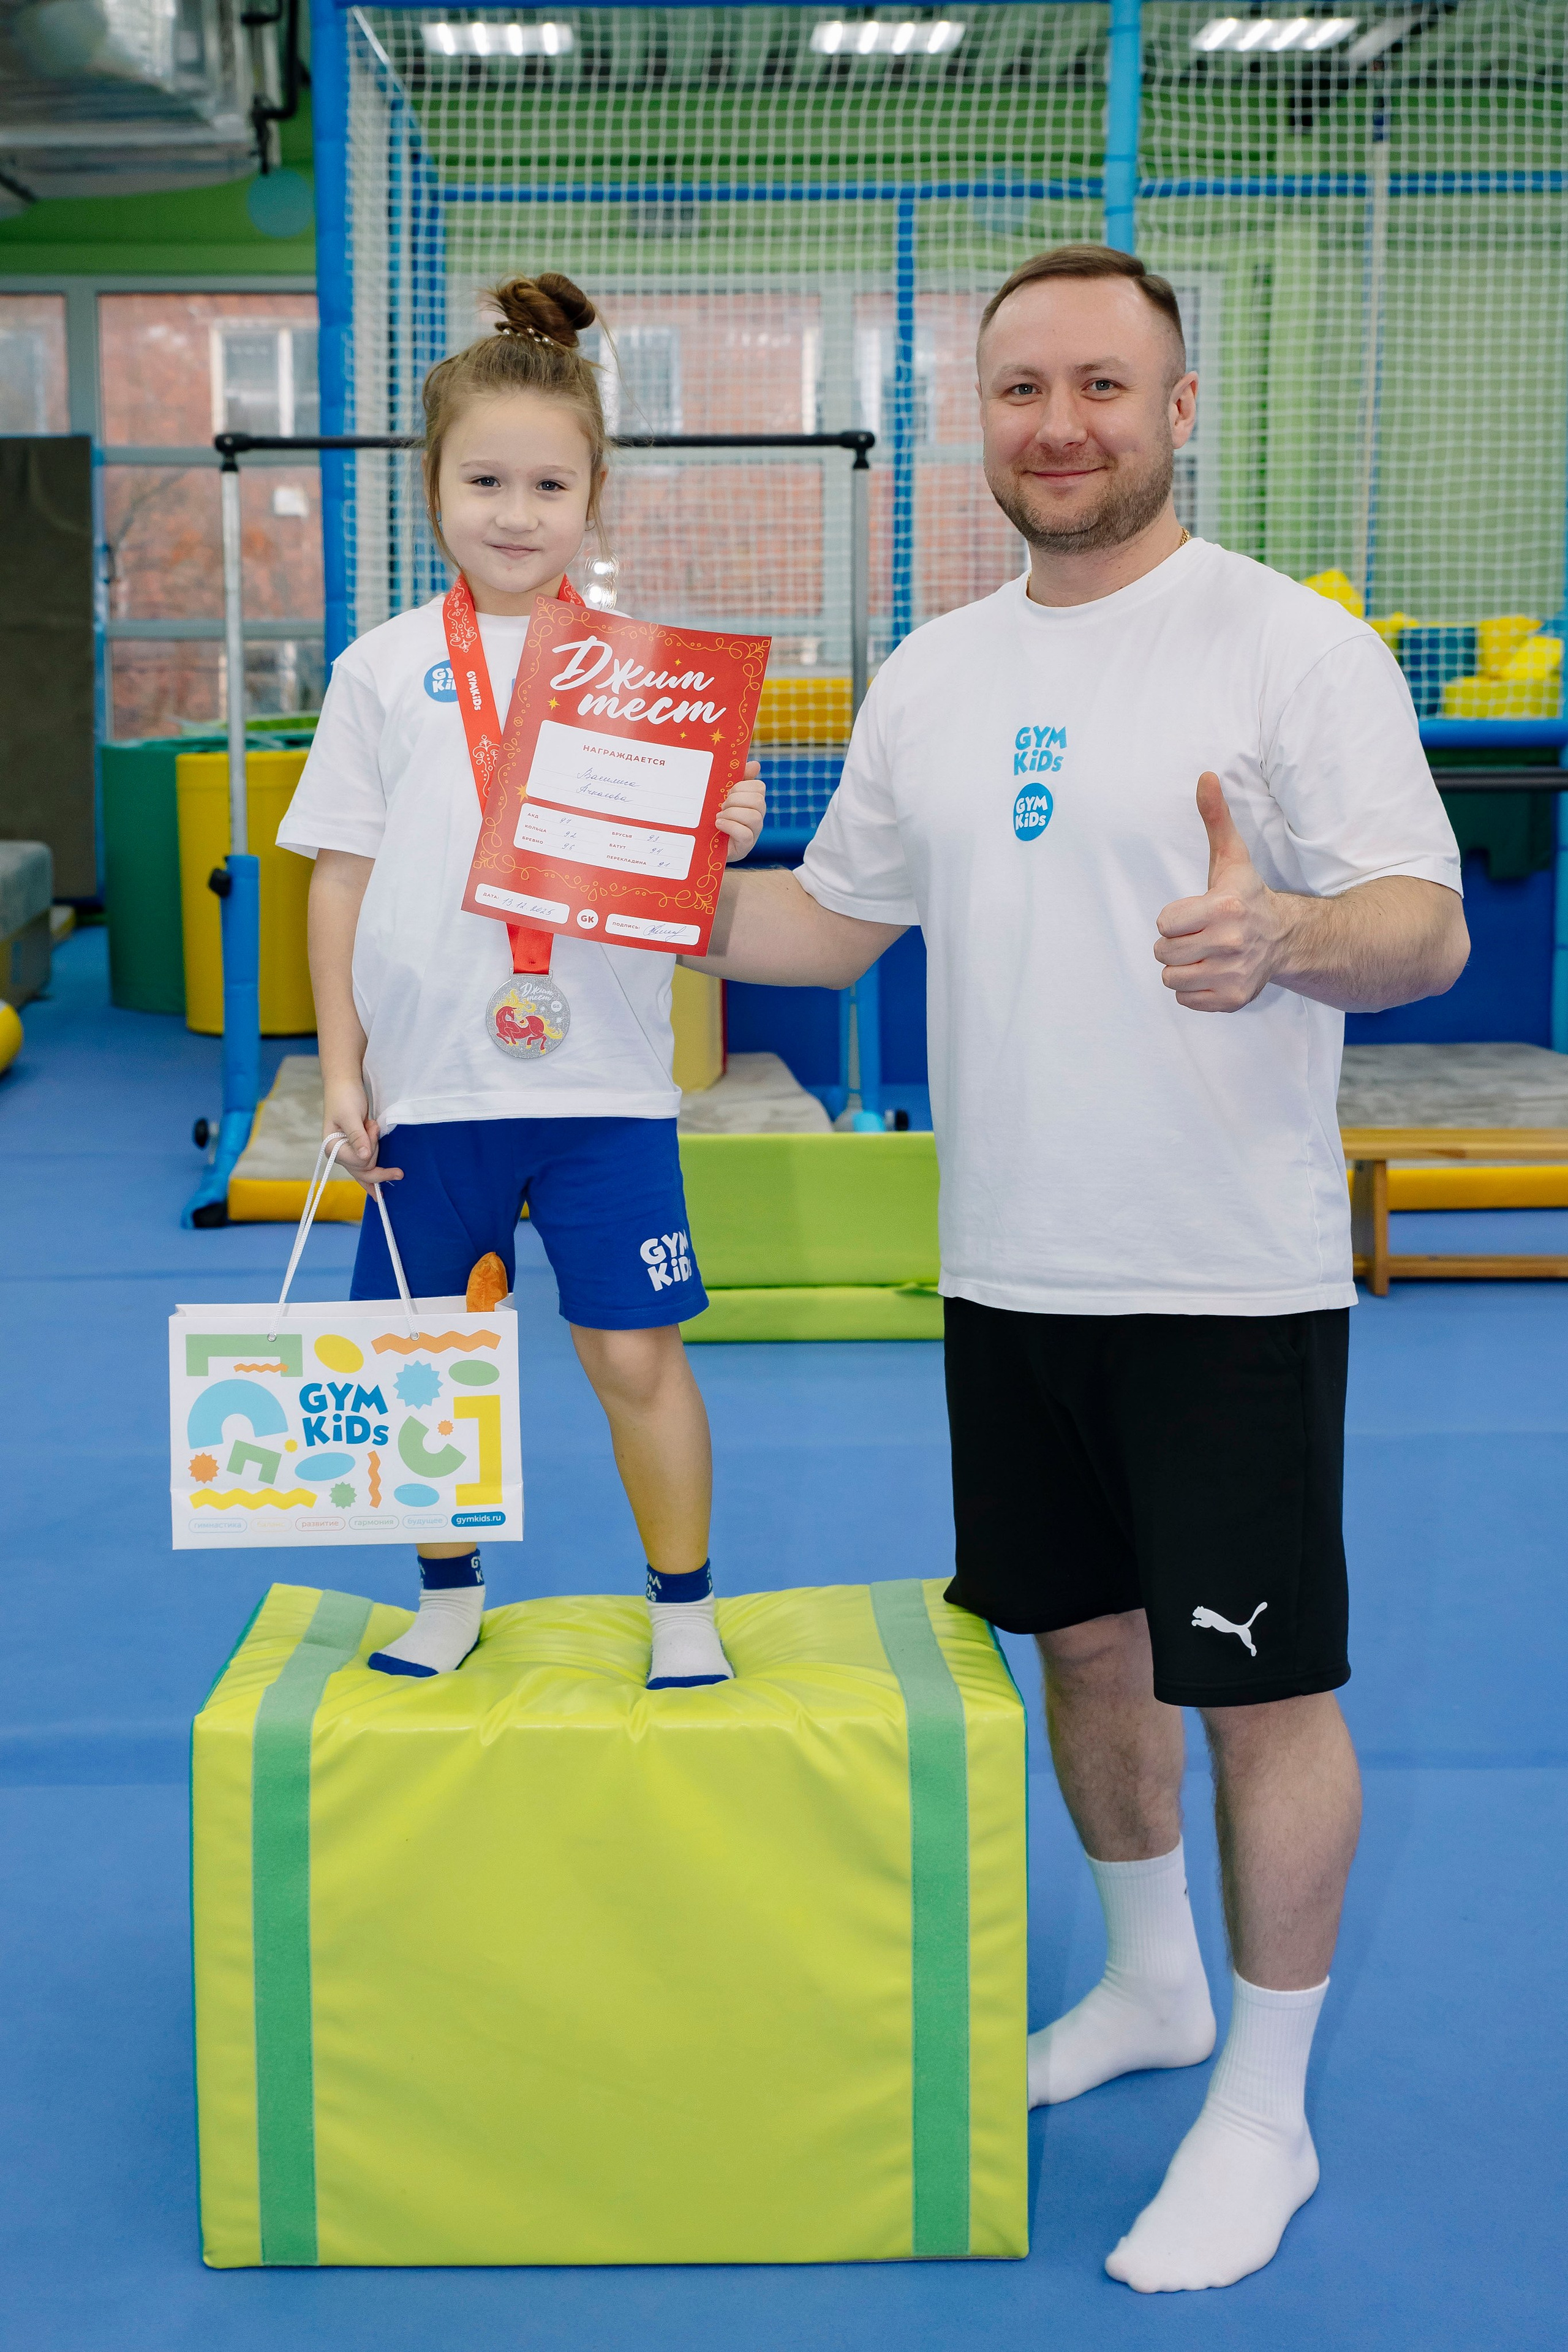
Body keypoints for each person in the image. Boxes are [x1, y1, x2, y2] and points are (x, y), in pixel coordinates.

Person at [692, 244, 1468, 2291]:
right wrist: (617, 893)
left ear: (1182, 406)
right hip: (1008, 1270)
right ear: (982, 415)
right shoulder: (933, 672)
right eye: (1023, 386)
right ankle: (1153, 1986)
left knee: (1260, 1695)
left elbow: (1426, 924)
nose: (1061, 422)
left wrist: (1287, 938)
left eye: (1105, 386)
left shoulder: (1295, 650)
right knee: (1085, 1649)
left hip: (1223, 1277)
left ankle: (1269, 2111)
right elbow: (825, 932)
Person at [277, 272, 764, 1690]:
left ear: (593, 496)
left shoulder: (641, 676)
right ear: (429, 485)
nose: (514, 509)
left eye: (548, 483)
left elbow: (686, 861)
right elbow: (340, 877)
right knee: (420, 1370)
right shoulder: (377, 671)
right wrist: (345, 1069)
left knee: (633, 1356)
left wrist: (718, 822)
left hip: (601, 1080)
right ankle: (447, 1594)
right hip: (428, 1091)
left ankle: (684, 1607)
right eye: (483, 477)